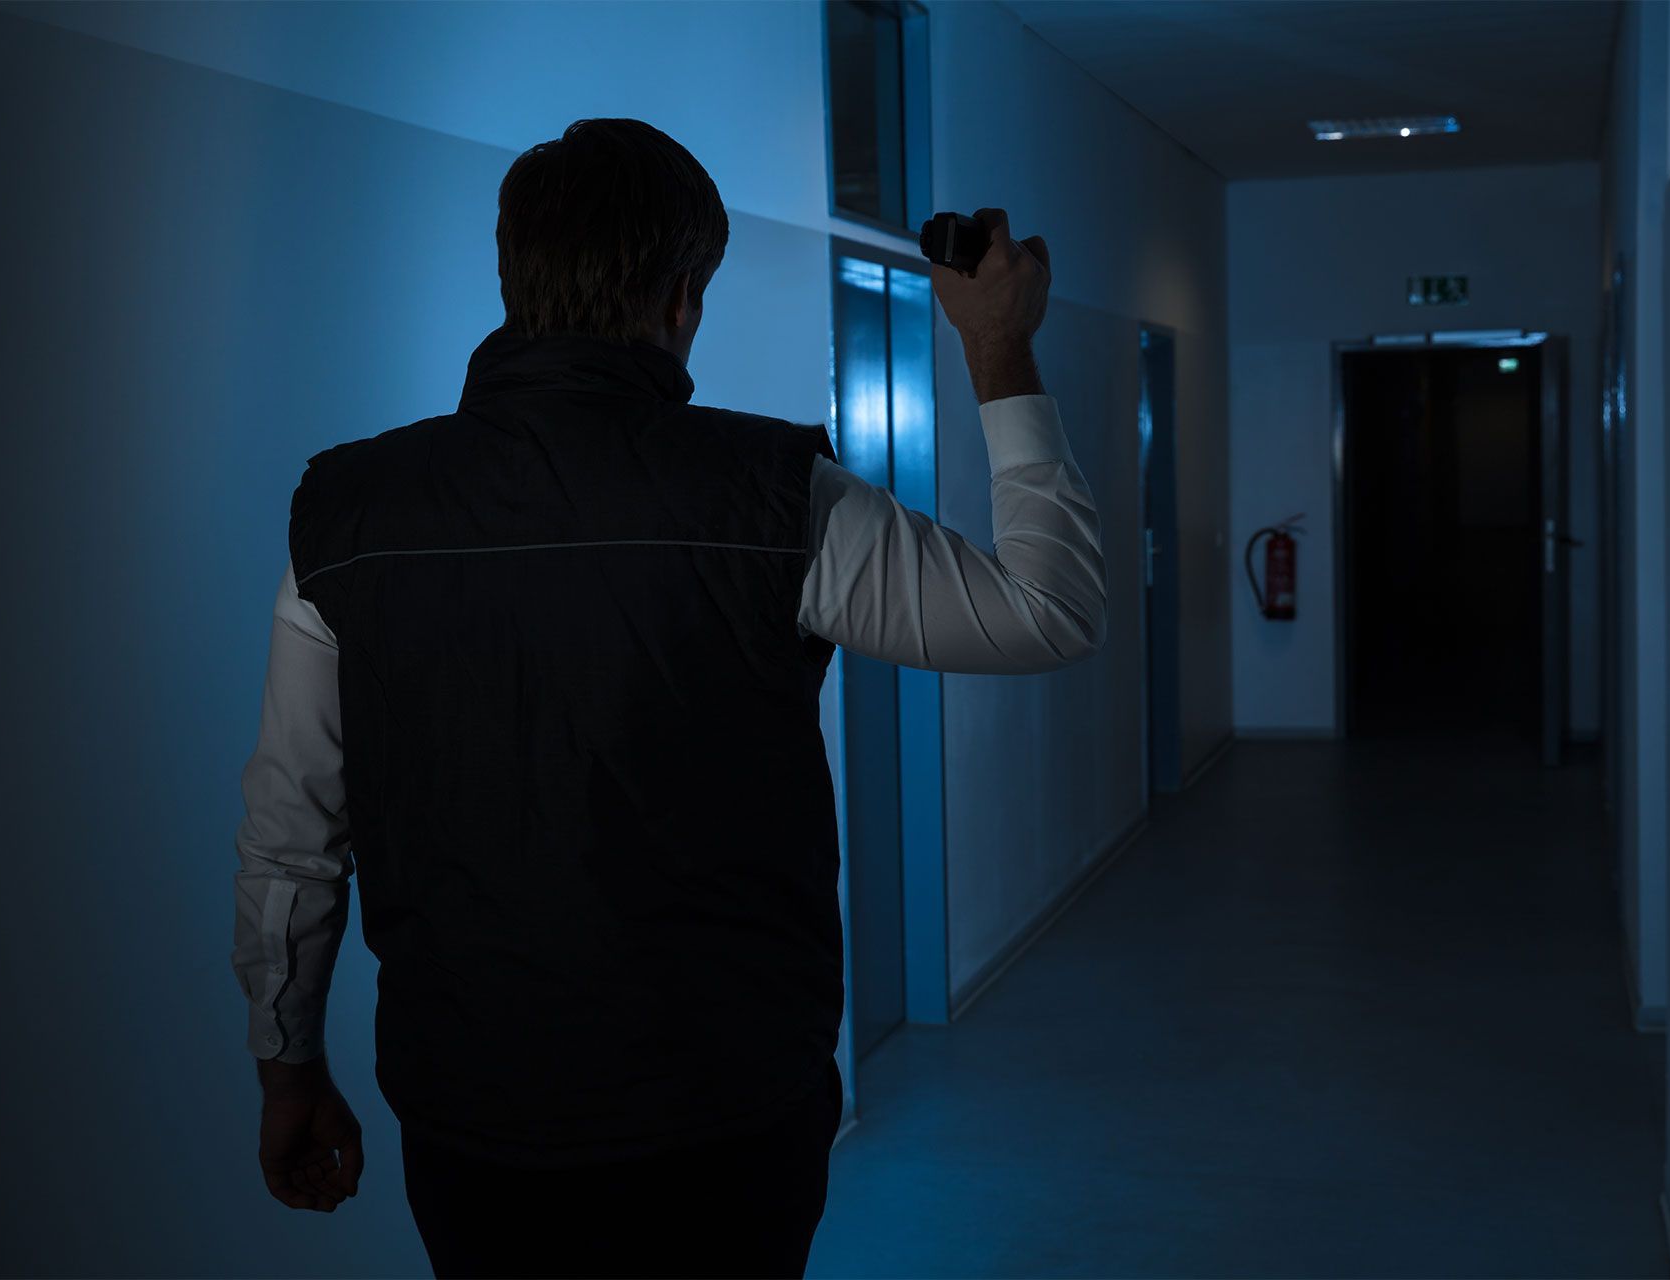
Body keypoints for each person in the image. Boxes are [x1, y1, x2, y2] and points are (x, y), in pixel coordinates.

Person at [229, 117, 1107, 1279]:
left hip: (472, 1116)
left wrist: (287, 1066)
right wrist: (999, 348)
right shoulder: (773, 496)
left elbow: (292, 841)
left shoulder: (343, 513)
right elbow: (1050, 609)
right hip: (725, 1115)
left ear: (513, 275)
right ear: (684, 295)